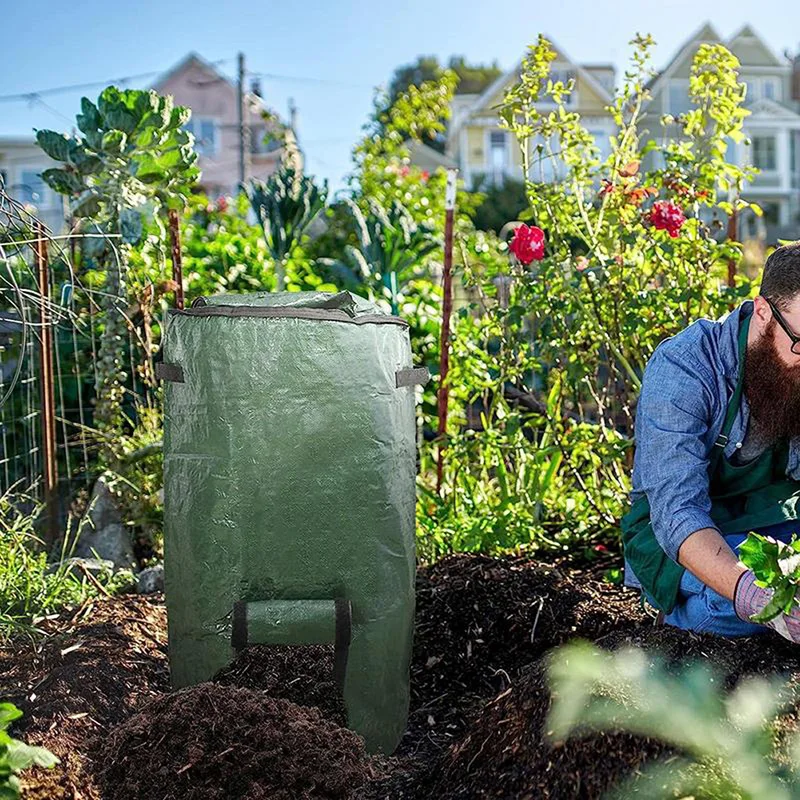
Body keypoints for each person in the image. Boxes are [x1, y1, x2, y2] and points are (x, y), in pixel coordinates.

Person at [622, 242, 800, 640]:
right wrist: (751, 594)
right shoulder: (685, 367)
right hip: (684, 539)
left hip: (773, 523)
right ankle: (684, 624)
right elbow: (677, 513)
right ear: (762, 313)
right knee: (740, 604)